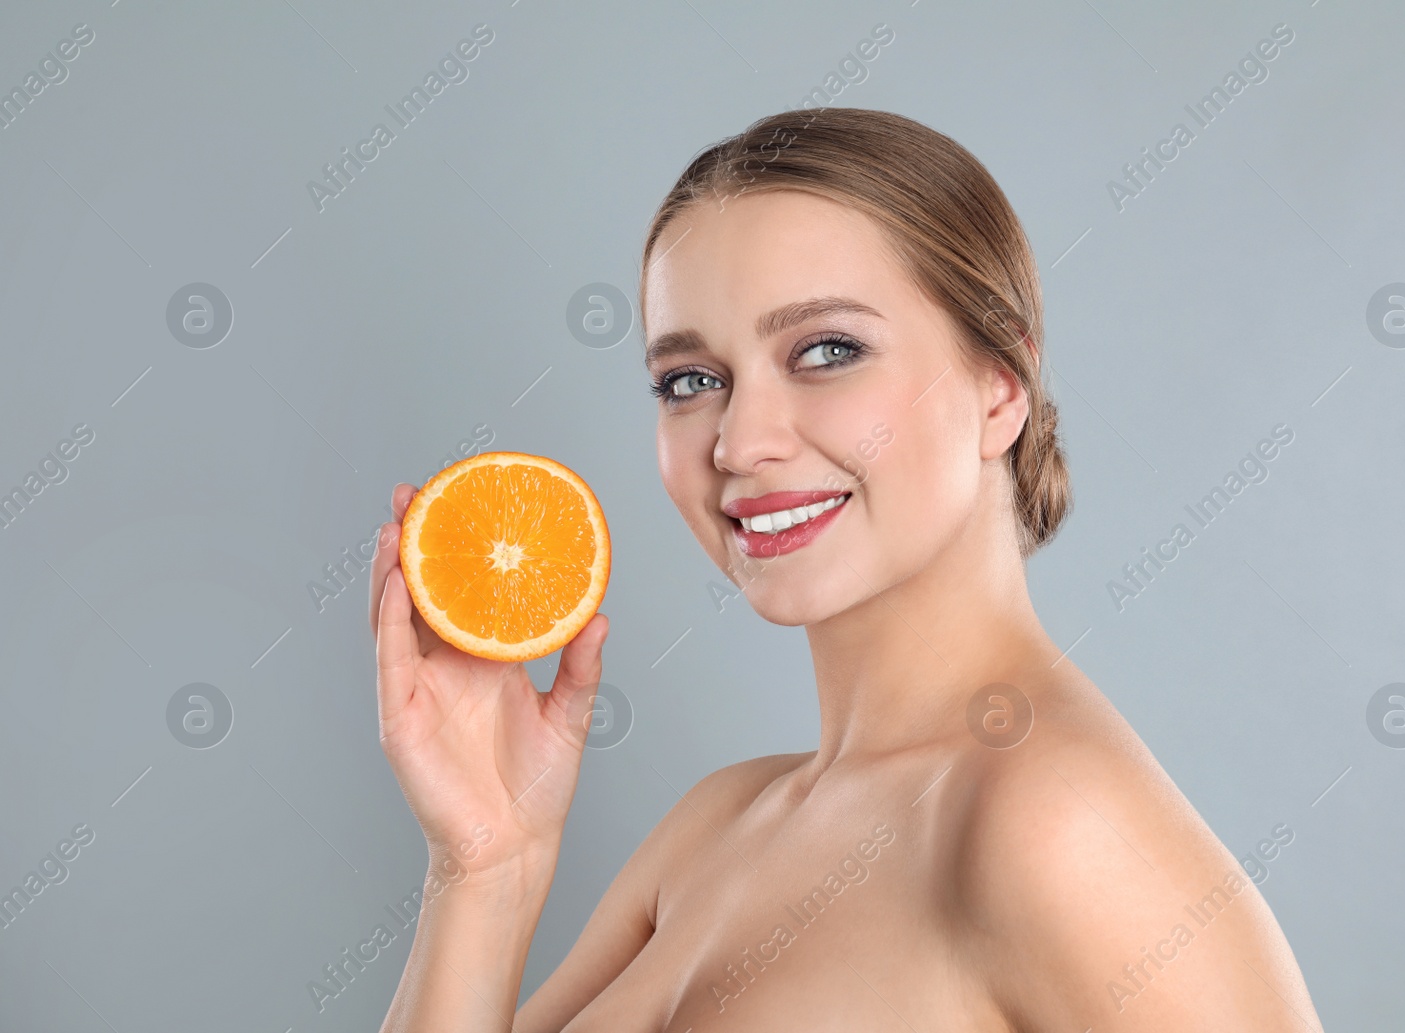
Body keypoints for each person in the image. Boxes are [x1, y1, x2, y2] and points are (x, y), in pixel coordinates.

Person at [371, 106, 1324, 1031]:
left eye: (828, 351)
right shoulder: (717, 826)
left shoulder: (1052, 827)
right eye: (690, 381)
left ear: (1000, 389)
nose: (740, 441)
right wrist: (485, 863)